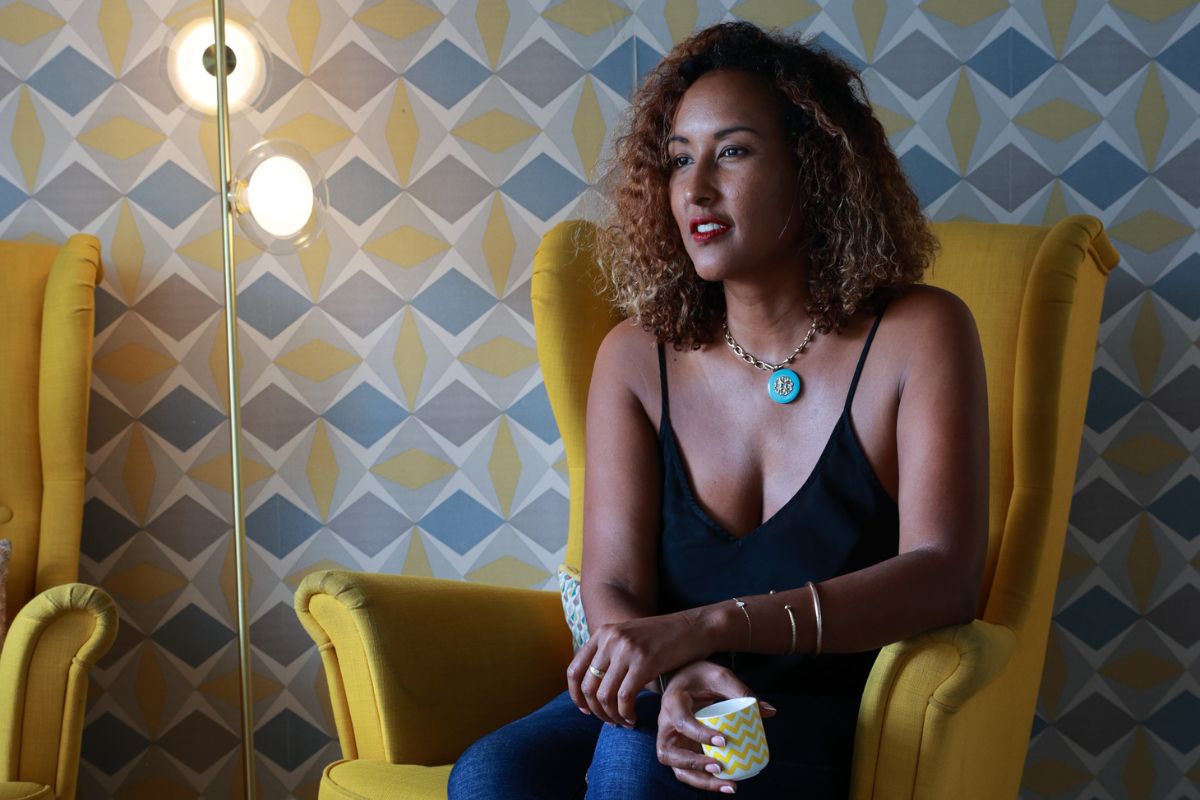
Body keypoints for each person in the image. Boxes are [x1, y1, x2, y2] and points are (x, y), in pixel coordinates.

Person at [448, 20, 987, 799]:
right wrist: (676, 672)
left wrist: (714, 624)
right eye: (678, 160)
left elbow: (945, 578)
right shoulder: (635, 358)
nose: (695, 188)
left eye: (732, 152)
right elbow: (612, 582)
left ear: (814, 168)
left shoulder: (919, 334)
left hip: (815, 705)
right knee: (491, 773)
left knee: (633, 766)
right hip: (666, 683)